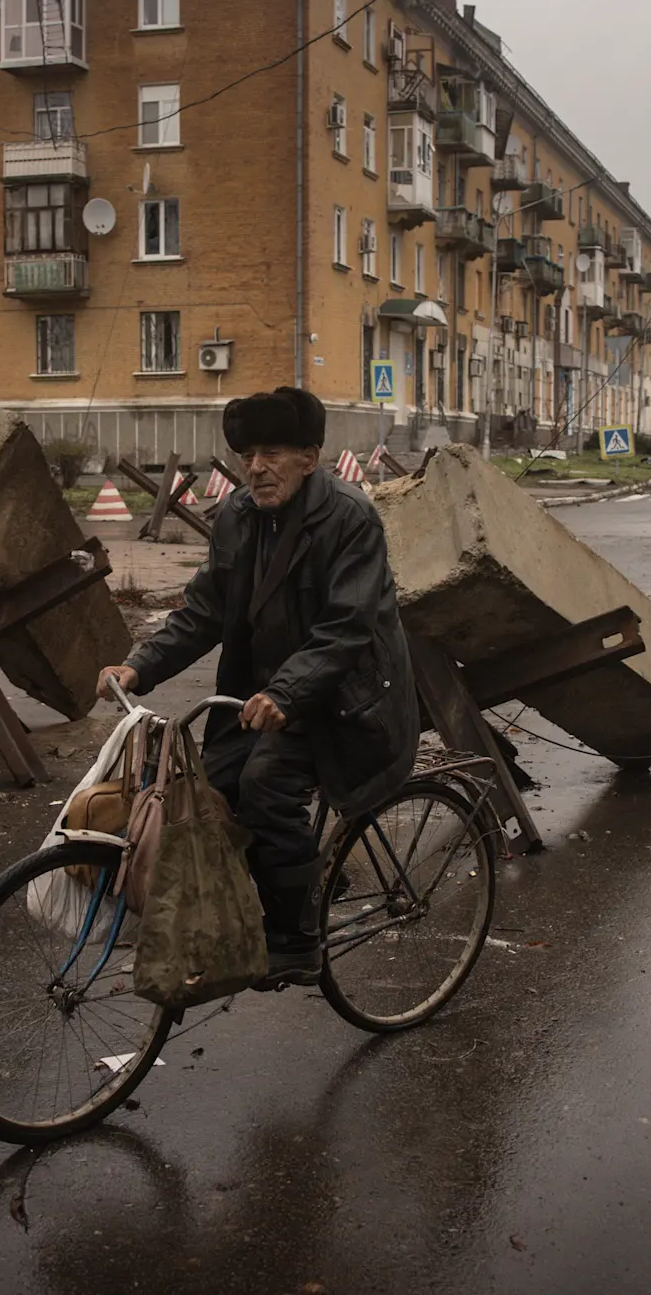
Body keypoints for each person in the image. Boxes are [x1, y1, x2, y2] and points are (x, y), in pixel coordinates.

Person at [97, 387, 417, 985]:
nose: (256, 466)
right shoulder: (239, 519)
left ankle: (297, 940)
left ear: (310, 458)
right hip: (273, 698)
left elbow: (346, 627)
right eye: (247, 454)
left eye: (272, 452)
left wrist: (287, 693)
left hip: (347, 702)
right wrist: (138, 666)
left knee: (264, 783)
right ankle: (293, 879)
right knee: (200, 789)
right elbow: (203, 612)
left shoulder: (348, 518)